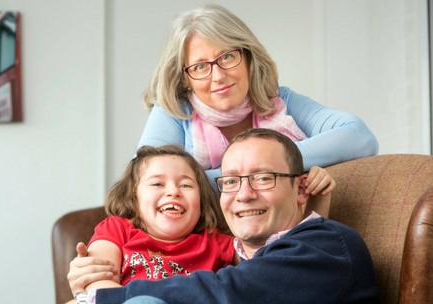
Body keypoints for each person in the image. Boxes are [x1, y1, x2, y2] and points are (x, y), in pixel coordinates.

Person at [60, 128, 379, 304]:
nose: (243, 194)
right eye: (230, 181)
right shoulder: (259, 256)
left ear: (300, 188)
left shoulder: (328, 245)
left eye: (263, 177)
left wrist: (95, 301)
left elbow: (229, 290)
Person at [138, 3, 379, 188]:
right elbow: (152, 184)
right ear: (184, 78)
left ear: (249, 58)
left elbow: (359, 137)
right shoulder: (174, 113)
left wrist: (258, 166)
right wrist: (270, 173)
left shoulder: (281, 100)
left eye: (227, 57)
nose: (218, 76)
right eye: (200, 67)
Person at [79, 144, 239, 291]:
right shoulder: (116, 229)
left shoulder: (218, 243)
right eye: (157, 184)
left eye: (185, 185)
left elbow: (259, 269)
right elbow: (98, 283)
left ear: (202, 201)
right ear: (133, 197)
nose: (173, 192)